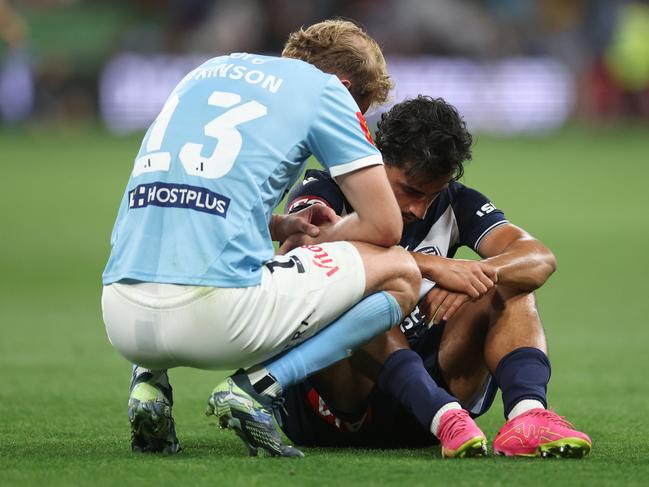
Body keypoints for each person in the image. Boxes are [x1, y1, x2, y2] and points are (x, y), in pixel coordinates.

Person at [101, 20, 424, 458]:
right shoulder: (325, 90)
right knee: (401, 270)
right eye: (360, 110)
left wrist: (278, 225)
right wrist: (324, 235)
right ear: (345, 85)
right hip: (215, 322)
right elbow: (386, 226)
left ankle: (148, 384)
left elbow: (192, 196)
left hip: (121, 318)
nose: (359, 123)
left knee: (167, 227)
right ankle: (256, 388)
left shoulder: (204, 71)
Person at [279, 96, 592, 458]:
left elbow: (539, 258)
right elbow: (298, 250)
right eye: (410, 189)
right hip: (335, 407)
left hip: (421, 415)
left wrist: (480, 274)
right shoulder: (327, 188)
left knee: (512, 285)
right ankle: (442, 416)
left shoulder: (457, 204)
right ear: (378, 161)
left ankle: (527, 416)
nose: (419, 209)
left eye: (433, 194)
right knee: (355, 290)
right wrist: (430, 266)